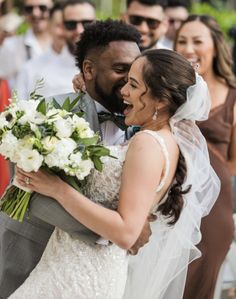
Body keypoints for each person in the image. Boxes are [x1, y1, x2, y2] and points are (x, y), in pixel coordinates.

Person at [9, 44, 219, 298]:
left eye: (133, 84)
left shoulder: (147, 144)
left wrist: (57, 189)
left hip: (82, 273)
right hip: (68, 263)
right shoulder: (160, 139)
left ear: (161, 101)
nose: (123, 91)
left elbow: (126, 232)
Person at [0, 20, 146, 299]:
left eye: (135, 70)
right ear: (88, 70)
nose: (129, 80)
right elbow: (28, 193)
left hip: (107, 269)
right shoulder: (45, 113)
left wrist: (136, 222)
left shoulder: (145, 119)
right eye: (120, 69)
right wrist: (111, 233)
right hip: (33, 251)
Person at [175, 14, 236, 299]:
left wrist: (198, 148)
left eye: (197, 41)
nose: (189, 48)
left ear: (214, 47)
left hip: (213, 209)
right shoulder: (166, 91)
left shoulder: (233, 97)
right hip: (170, 205)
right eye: (181, 41)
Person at [0, 0, 53, 87]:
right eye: (29, 9)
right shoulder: (11, 45)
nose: (35, 13)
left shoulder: (66, 45)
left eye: (42, 8)